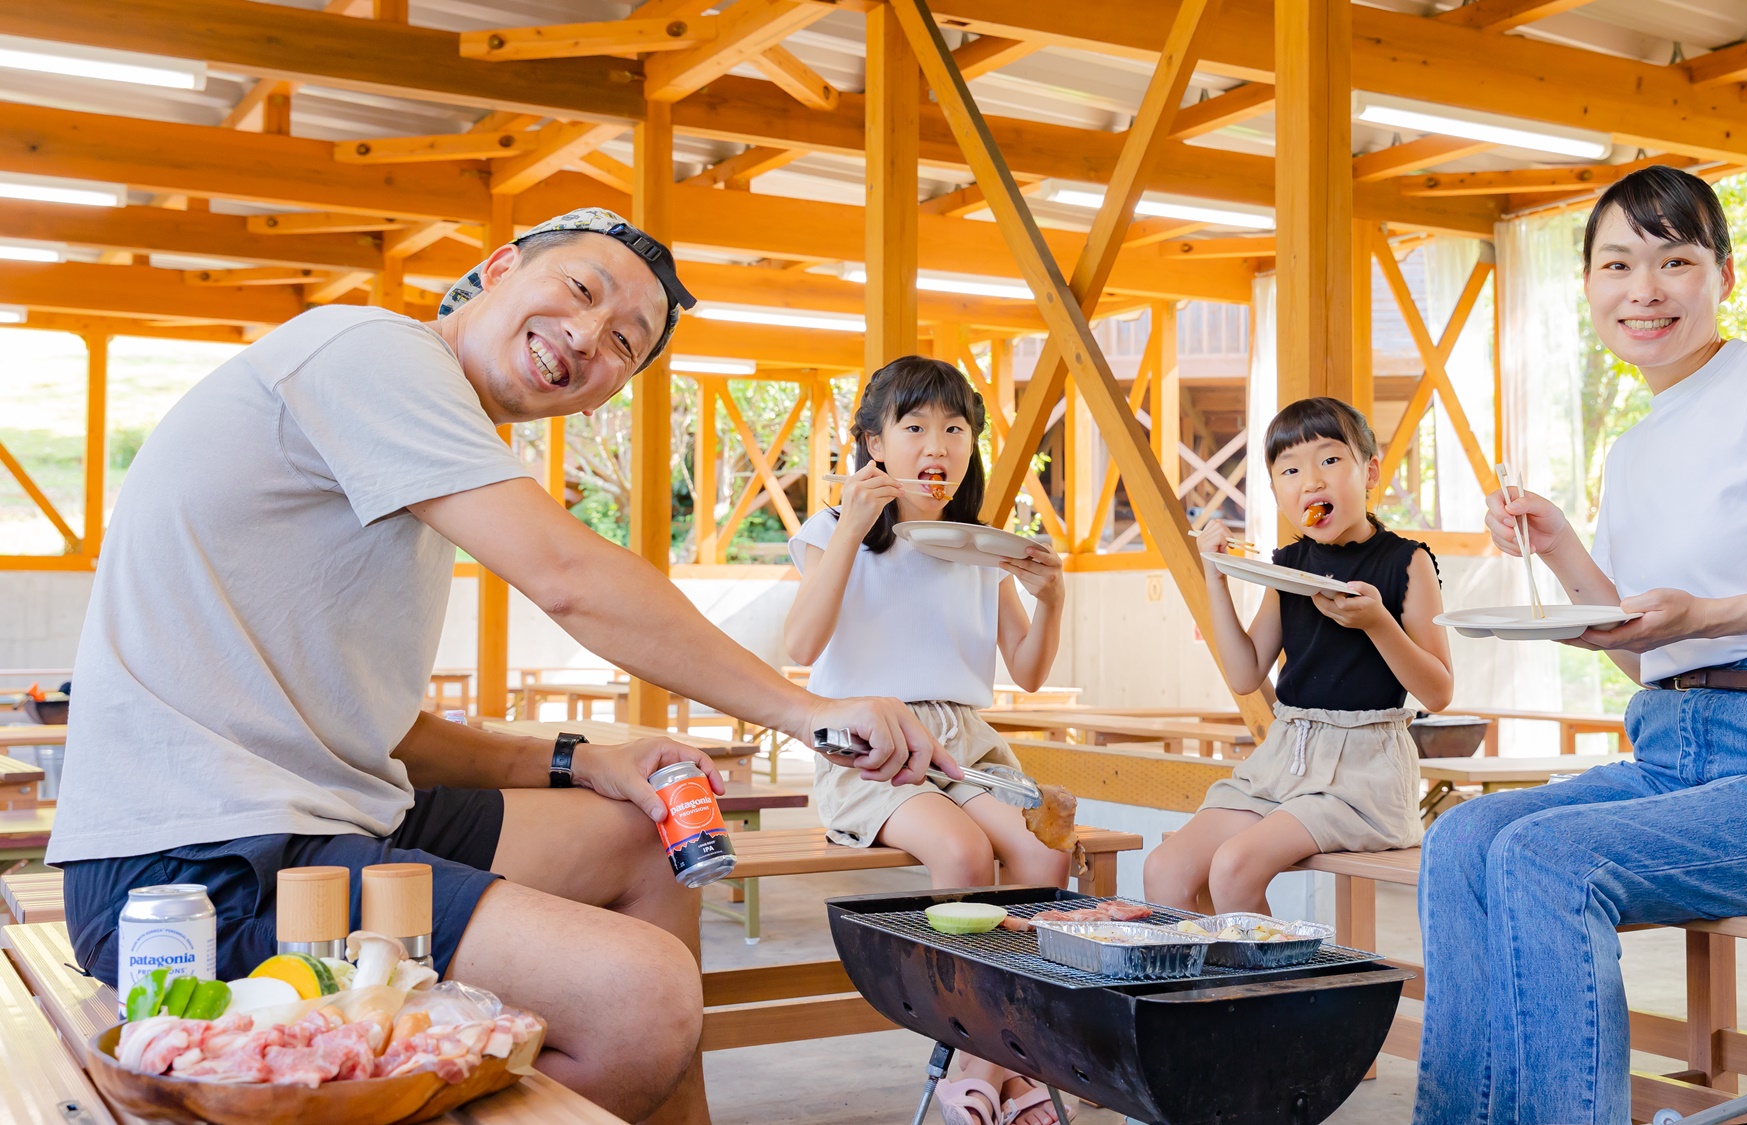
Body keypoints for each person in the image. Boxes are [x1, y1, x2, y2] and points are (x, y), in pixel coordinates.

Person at [48, 208, 953, 1125]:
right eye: (581, 290)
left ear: (600, 397)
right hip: (190, 861)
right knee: (642, 997)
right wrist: (809, 713)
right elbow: (570, 580)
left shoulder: (419, 459)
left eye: (622, 345)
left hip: (319, 821)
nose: (587, 336)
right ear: (498, 267)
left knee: (649, 837)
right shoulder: (373, 351)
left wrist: (581, 758)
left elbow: (382, 728)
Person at [1413, 166, 1747, 1125]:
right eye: (1618, 263)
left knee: (1546, 858)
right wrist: (1563, 547)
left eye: (1676, 260)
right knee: (1459, 840)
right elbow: (1642, 648)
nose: (1645, 288)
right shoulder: (1633, 448)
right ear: (1587, 286)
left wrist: (1710, 613)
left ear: (1725, 277)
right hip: (1672, 750)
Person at [782, 356, 1071, 1125]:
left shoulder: (976, 545)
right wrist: (849, 524)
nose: (935, 443)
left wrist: (1054, 597)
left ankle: (990, 1059)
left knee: (1046, 853)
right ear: (875, 442)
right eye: (913, 427)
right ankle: (976, 1047)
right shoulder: (827, 533)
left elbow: (1031, 670)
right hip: (871, 745)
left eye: (954, 428)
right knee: (965, 854)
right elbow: (800, 644)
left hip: (967, 744)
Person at [1144, 397, 1452, 915]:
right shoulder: (1288, 566)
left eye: (1330, 460)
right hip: (1285, 763)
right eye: (1290, 470)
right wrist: (1215, 576)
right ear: (1276, 492)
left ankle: (1271, 996)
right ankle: (1208, 997)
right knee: (1164, 869)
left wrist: (1378, 623)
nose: (1310, 481)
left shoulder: (1407, 561)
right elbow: (1245, 675)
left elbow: (1439, 693)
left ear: (1369, 470)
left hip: (1364, 776)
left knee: (1233, 866)